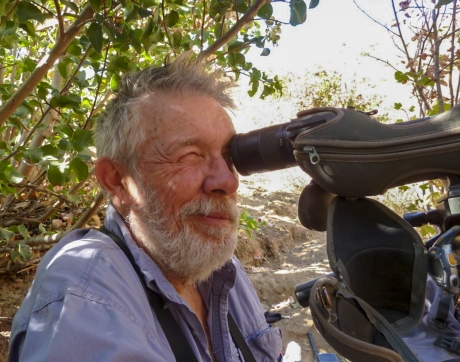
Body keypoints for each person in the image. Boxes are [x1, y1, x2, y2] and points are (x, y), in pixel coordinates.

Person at [8, 53, 283, 361]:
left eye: (230, 157)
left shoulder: (223, 269)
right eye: (189, 155)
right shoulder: (85, 296)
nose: (227, 182)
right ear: (118, 181)